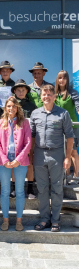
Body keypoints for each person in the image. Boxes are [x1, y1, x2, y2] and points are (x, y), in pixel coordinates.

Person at [31, 84, 74, 232]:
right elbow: (31, 137)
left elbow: (69, 137)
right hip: (39, 155)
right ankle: (44, 219)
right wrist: (31, 156)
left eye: (50, 94)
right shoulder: (35, 114)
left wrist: (68, 158)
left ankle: (55, 220)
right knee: (42, 189)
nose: (46, 96)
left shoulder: (63, 114)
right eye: (44, 94)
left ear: (54, 96)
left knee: (56, 189)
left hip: (56, 155)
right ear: (41, 96)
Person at [0, 97, 32, 231]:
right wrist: (4, 159)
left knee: (20, 191)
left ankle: (19, 220)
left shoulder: (25, 122)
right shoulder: (0, 123)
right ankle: (5, 220)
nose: (11, 109)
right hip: (4, 161)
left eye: (14, 106)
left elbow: (28, 143)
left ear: (18, 108)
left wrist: (19, 159)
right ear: (5, 108)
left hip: (20, 161)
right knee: (5, 191)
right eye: (9, 106)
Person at [10, 79, 37, 199]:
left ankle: (30, 189)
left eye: (23, 90)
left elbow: (36, 122)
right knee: (14, 161)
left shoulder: (32, 105)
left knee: (29, 162)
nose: (21, 92)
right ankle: (14, 188)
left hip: (29, 137)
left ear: (26, 91)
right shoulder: (11, 105)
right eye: (18, 90)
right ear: (14, 91)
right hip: (14, 137)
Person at [54, 70, 79, 184]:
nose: (62, 80)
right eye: (60, 78)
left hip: (72, 126)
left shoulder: (72, 92)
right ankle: (67, 175)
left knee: (73, 151)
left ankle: (76, 176)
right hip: (59, 126)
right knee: (64, 152)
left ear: (67, 80)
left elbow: (78, 105)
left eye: (64, 78)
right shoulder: (54, 93)